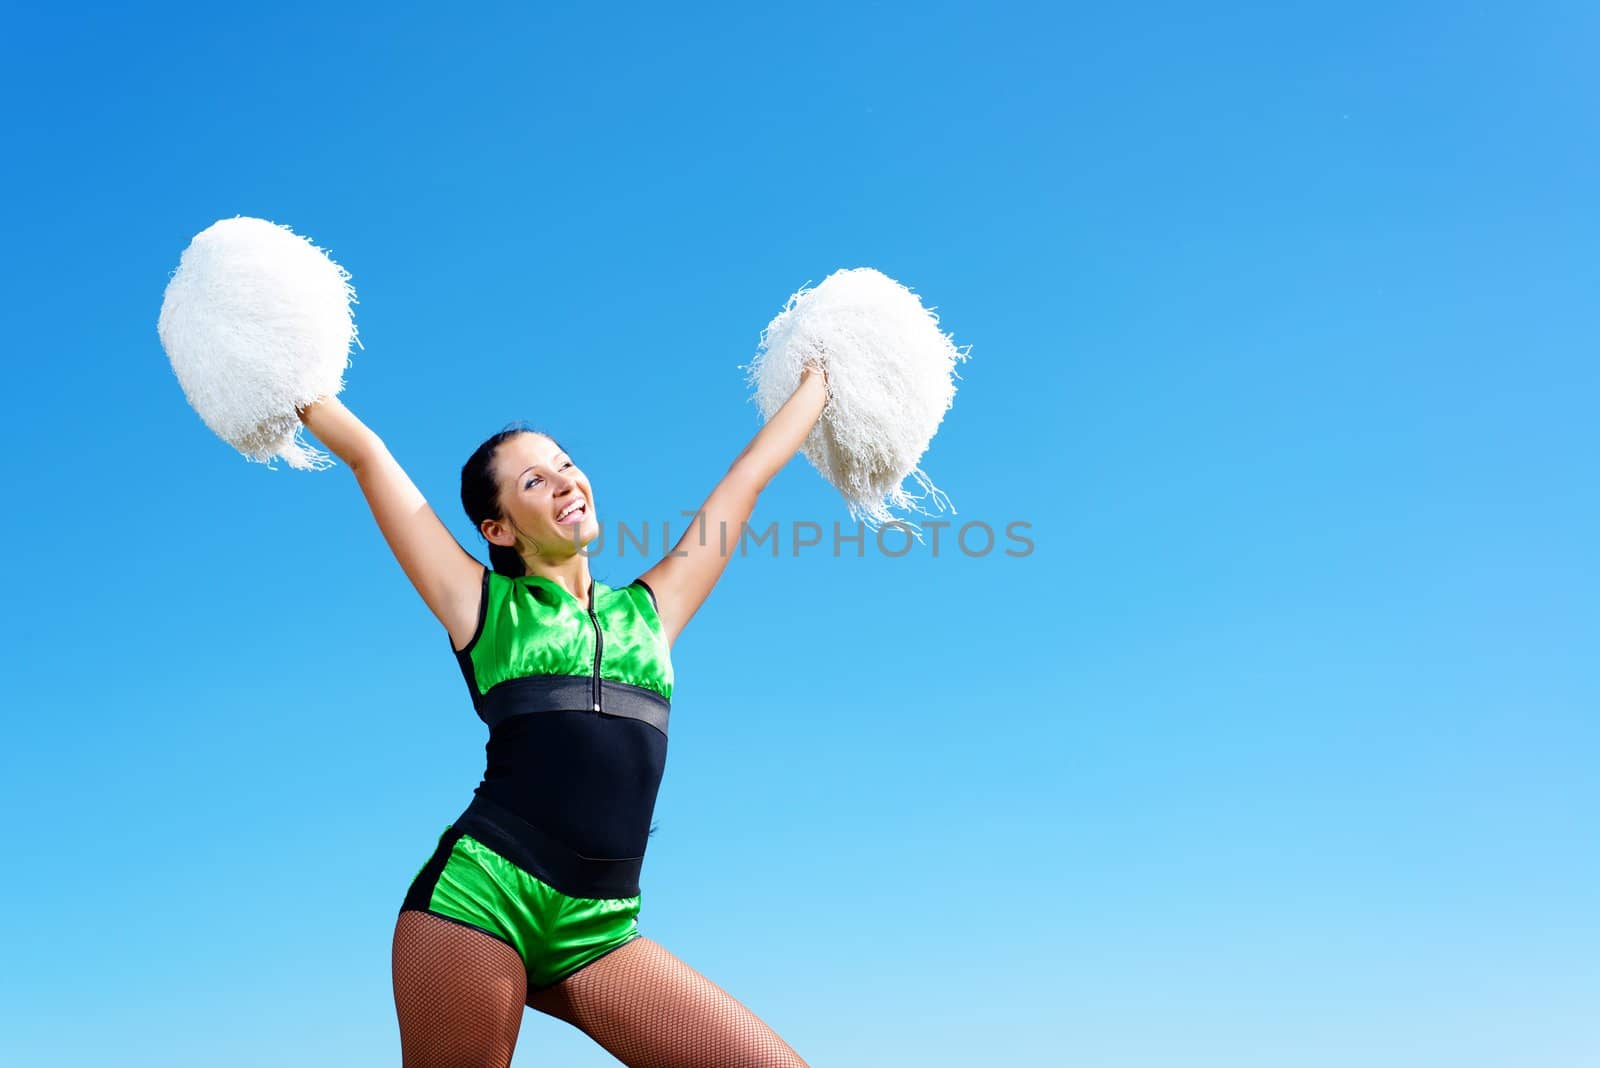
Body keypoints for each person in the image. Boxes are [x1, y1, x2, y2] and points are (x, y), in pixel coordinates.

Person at [296, 363, 828, 1068]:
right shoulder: (481, 607)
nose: (564, 481)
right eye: (533, 482)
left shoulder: (651, 612)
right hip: (480, 902)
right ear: (499, 529)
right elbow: (369, 456)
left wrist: (824, 371)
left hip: (600, 927)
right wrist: (281, 366)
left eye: (565, 464)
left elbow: (751, 474)